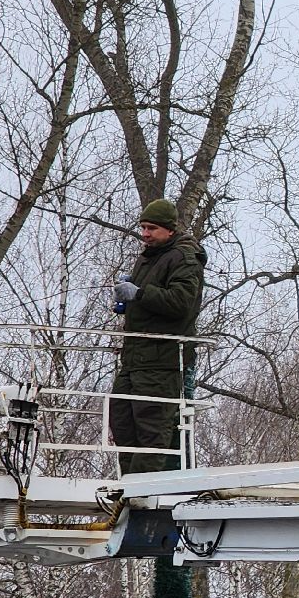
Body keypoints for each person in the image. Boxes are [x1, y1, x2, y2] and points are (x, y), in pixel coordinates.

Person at [110, 198, 205, 475]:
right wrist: (127, 301)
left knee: (152, 429)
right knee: (122, 421)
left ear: (170, 230)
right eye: (143, 227)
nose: (145, 234)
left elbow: (181, 303)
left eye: (152, 228)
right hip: (135, 359)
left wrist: (139, 293)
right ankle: (127, 486)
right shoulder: (149, 257)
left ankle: (144, 491)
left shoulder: (184, 258)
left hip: (161, 363)